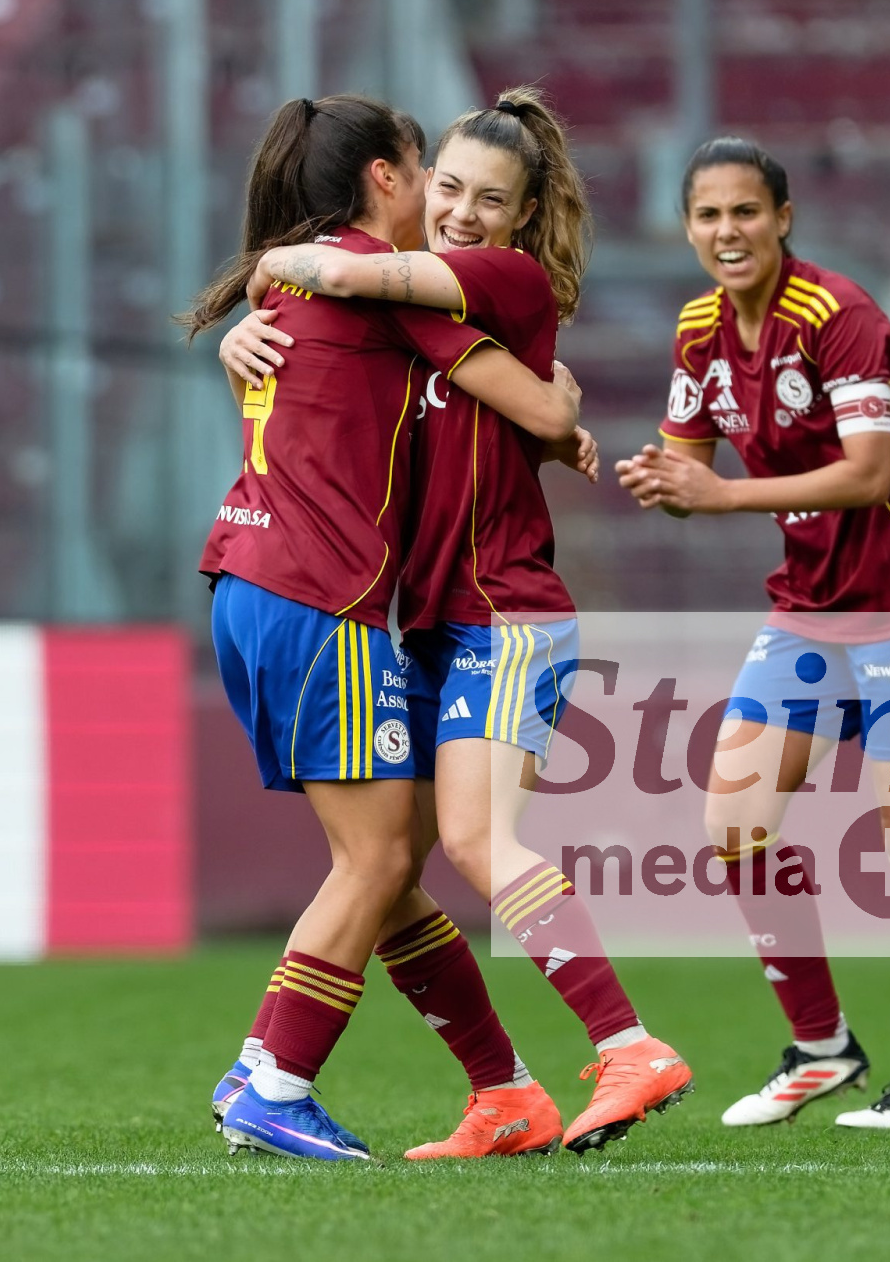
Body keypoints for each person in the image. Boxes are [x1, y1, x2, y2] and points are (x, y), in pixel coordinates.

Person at [216, 88, 692, 1158]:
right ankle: (502, 1094)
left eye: (490, 199)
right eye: (451, 188)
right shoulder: (411, 308)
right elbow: (508, 398)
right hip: (428, 625)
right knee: (386, 877)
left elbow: (538, 399)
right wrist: (248, 326)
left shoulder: (494, 283)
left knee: (471, 840)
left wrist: (274, 269)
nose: (464, 212)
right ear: (416, 182)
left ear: (522, 218)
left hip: (505, 614)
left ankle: (628, 1045)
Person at [615, 136, 890, 1131]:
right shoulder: (698, 329)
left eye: (745, 211)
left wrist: (718, 495)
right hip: (812, 611)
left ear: (783, 218)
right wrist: (661, 480)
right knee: (733, 822)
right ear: (686, 228)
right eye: (707, 215)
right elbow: (688, 465)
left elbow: (870, 472)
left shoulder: (840, 317)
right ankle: (823, 1050)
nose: (726, 231)